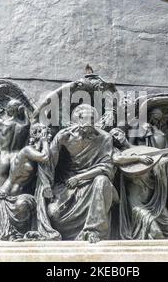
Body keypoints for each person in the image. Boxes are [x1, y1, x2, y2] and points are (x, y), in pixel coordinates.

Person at [35, 104, 117, 243]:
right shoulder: (64, 136)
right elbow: (49, 163)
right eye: (86, 118)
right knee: (54, 213)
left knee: (102, 180)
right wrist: (46, 185)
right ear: (78, 119)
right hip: (67, 185)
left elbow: (107, 166)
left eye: (92, 119)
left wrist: (80, 177)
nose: (90, 122)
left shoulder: (104, 138)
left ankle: (94, 231)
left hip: (92, 183)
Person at [110, 128, 168, 240]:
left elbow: (160, 164)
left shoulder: (142, 149)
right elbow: (116, 159)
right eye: (113, 137)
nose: (116, 138)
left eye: (117, 134)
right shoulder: (117, 151)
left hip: (151, 195)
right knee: (155, 232)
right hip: (135, 196)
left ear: (123, 133)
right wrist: (139, 158)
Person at [0, 123, 49, 240]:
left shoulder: (32, 151)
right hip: (7, 197)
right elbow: (45, 157)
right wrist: (45, 140)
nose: (48, 135)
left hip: (18, 197)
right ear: (37, 135)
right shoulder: (27, 151)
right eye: (45, 132)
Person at [0, 85, 30, 187]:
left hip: (4, 157)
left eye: (8, 107)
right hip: (17, 158)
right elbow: (27, 121)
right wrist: (24, 111)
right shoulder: (24, 125)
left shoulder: (2, 123)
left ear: (10, 110)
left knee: (1, 187)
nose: (6, 109)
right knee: (15, 188)